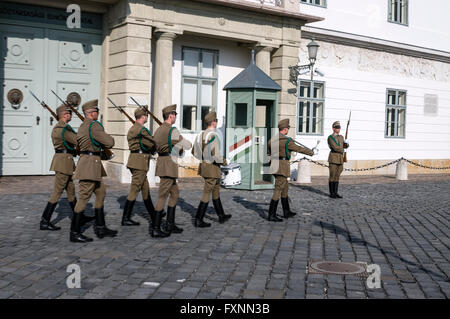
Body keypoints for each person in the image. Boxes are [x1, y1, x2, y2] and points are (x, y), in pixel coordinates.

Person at [40, 104, 94, 230]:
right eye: (69, 113)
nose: (71, 115)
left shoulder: (59, 128)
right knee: (57, 192)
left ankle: (79, 217)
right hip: (63, 163)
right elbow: (78, 141)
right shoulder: (64, 129)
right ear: (65, 115)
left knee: (71, 192)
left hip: (65, 162)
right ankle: (44, 220)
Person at [71, 99, 117, 242]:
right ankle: (74, 232)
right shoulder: (94, 126)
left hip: (92, 163)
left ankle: (100, 227)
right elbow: (110, 142)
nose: (98, 113)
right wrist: (108, 135)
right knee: (84, 197)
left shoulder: (83, 126)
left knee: (101, 192)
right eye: (96, 111)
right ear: (91, 113)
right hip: (90, 165)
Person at [153, 104, 192, 237]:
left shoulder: (158, 130)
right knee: (162, 196)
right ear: (171, 116)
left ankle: (170, 224)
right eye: (175, 115)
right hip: (169, 165)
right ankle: (156, 228)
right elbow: (187, 145)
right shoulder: (172, 130)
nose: (175, 117)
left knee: (175, 194)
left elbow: (155, 146)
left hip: (163, 162)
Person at [267, 118, 315, 222]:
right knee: (278, 189)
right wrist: (310, 152)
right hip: (282, 166)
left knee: (285, 188)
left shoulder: (271, 140)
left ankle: (286, 211)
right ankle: (271, 214)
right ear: (285, 129)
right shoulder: (287, 141)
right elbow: (299, 149)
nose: (288, 129)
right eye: (288, 128)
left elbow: (268, 154)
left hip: (274, 165)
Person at [194, 111, 231, 227]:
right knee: (207, 193)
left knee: (215, 191)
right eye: (216, 121)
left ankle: (221, 215)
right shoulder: (213, 136)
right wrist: (225, 161)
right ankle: (198, 219)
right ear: (213, 122)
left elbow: (194, 152)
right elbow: (216, 155)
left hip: (205, 166)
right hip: (212, 168)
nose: (217, 123)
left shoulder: (201, 135)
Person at [122, 108, 157, 226]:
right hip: (140, 163)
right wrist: (154, 149)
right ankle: (125, 218)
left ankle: (153, 214)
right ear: (143, 116)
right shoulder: (142, 130)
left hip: (134, 161)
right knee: (134, 189)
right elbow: (152, 142)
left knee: (145, 189)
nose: (147, 117)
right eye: (146, 115)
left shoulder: (132, 129)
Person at [327, 121, 349, 199]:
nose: (338, 129)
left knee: (337, 176)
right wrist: (343, 149)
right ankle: (331, 193)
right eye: (336, 127)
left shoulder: (341, 137)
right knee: (332, 176)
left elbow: (344, 145)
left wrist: (347, 144)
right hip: (333, 159)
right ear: (333, 128)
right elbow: (335, 147)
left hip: (340, 159)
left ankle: (336, 192)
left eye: (339, 127)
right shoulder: (330, 137)